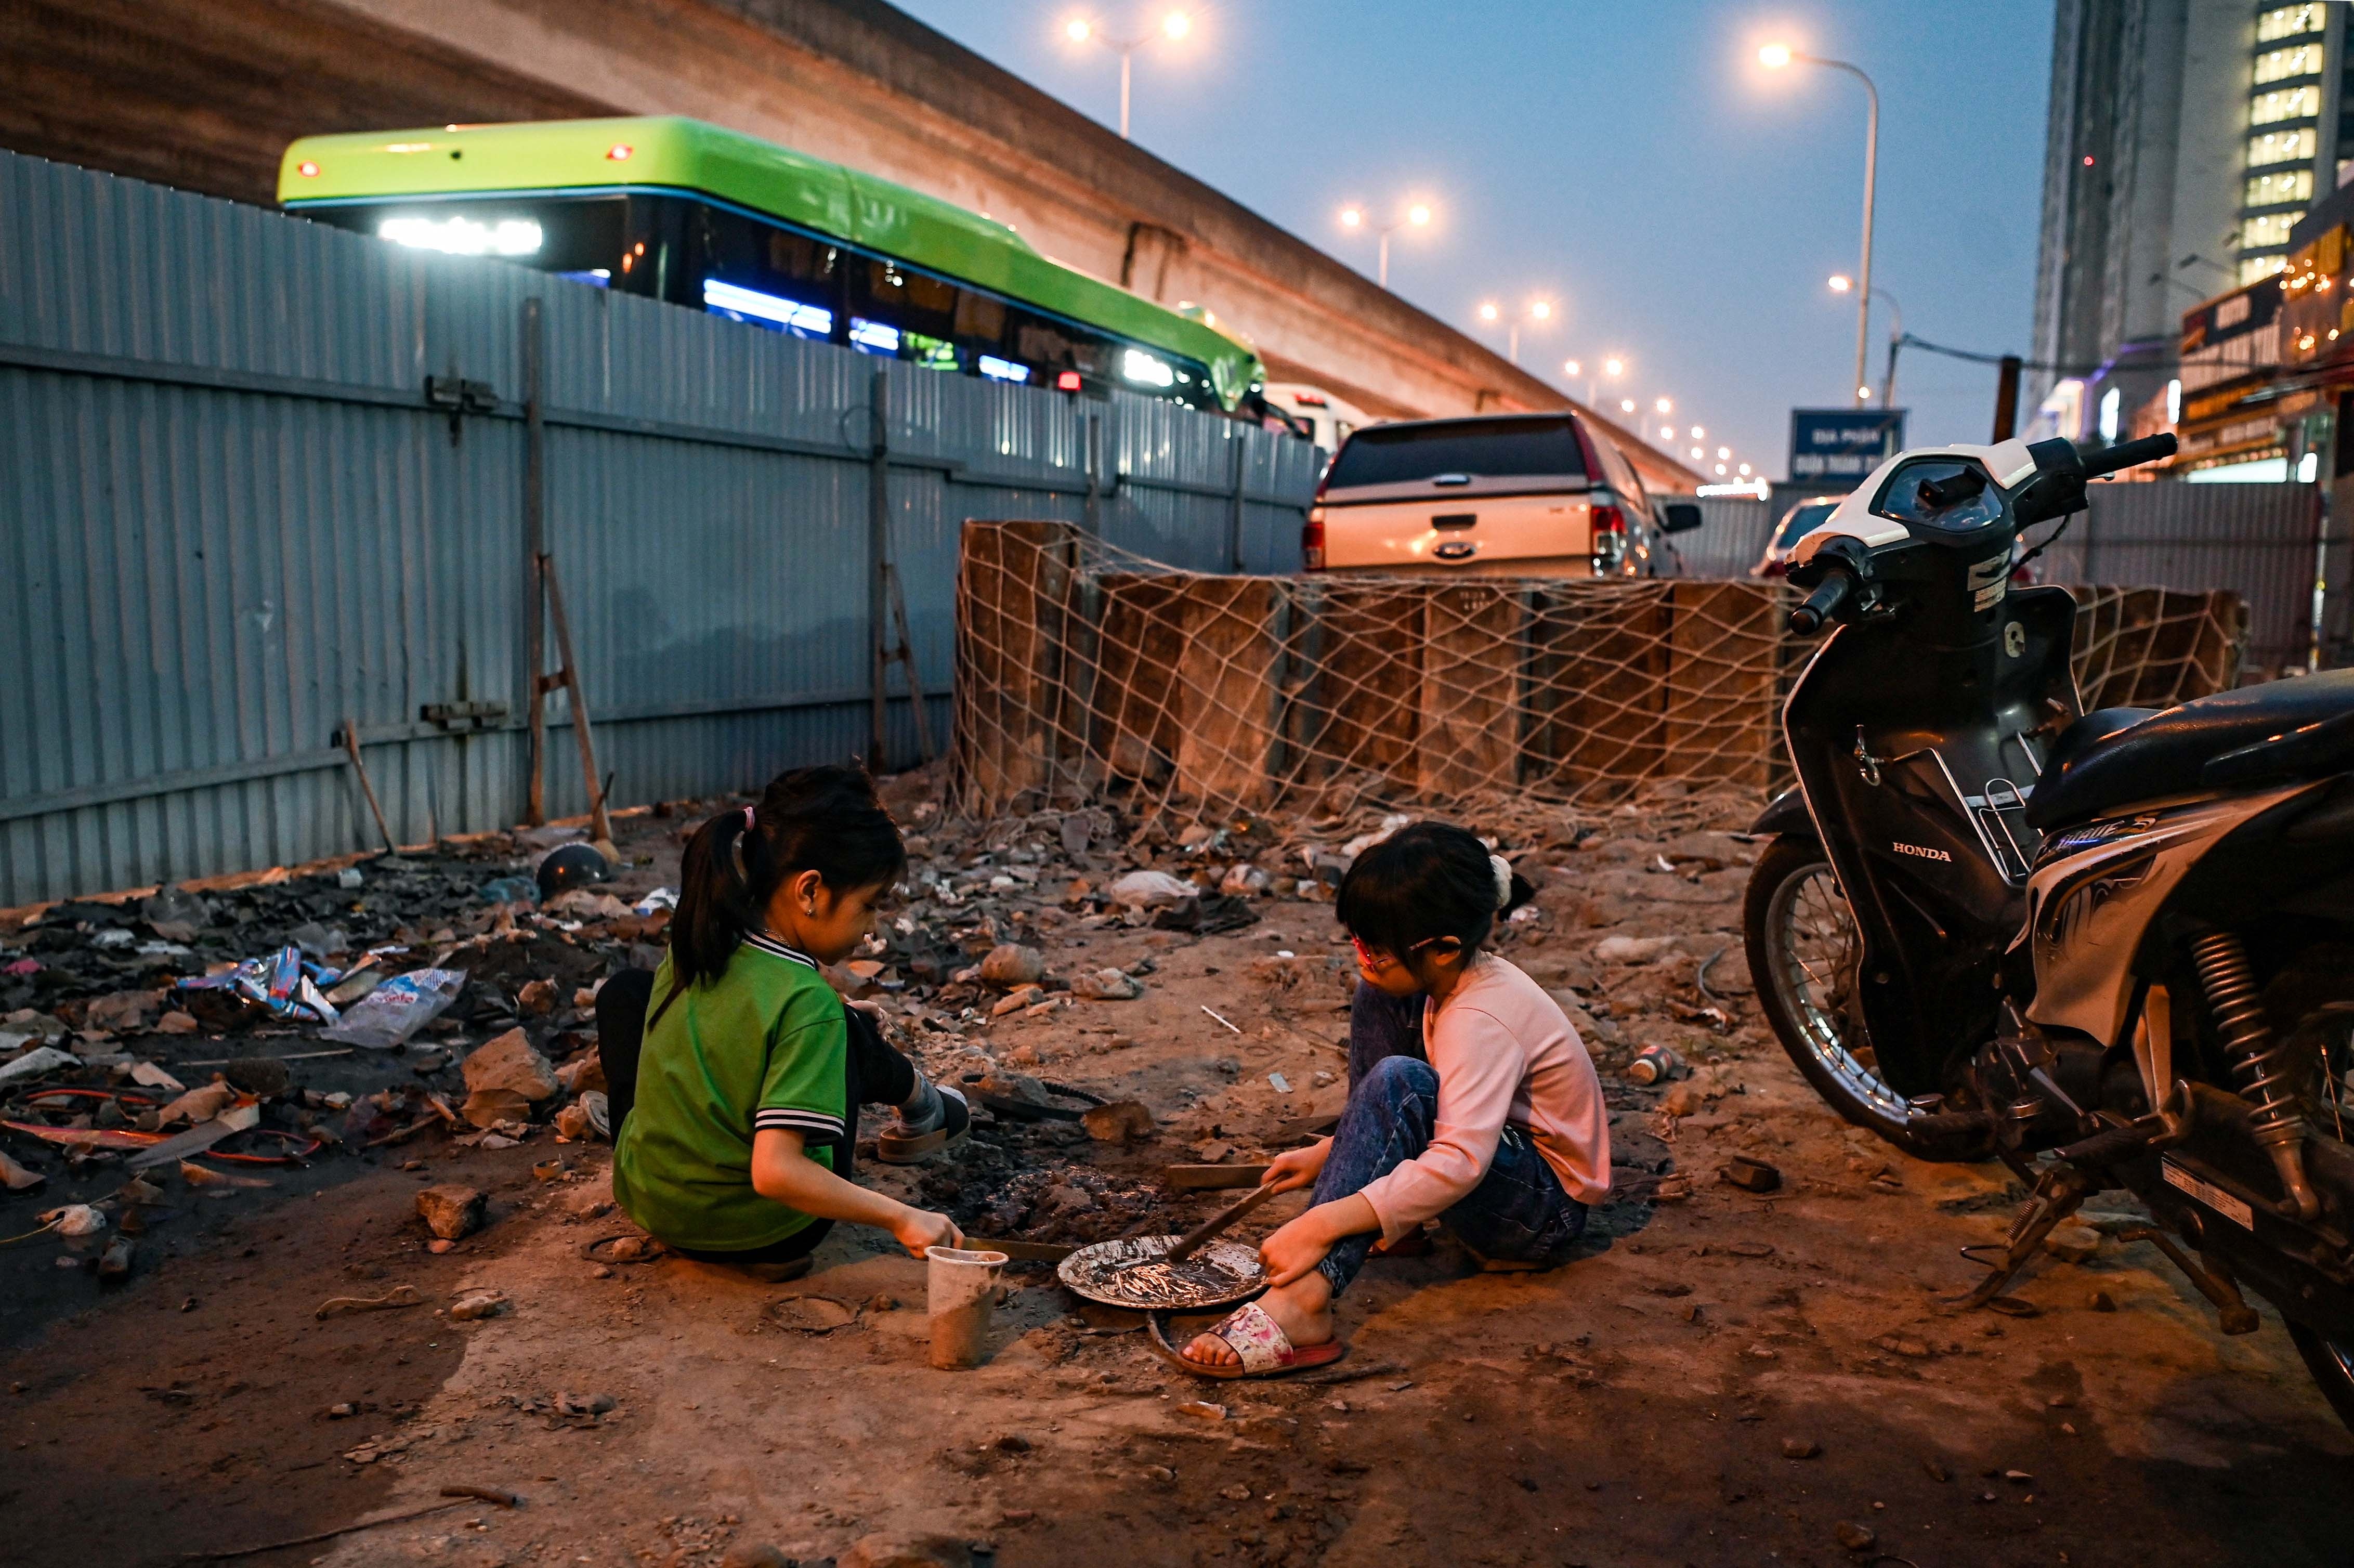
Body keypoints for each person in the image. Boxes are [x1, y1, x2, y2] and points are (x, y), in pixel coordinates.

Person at [1162, 821, 1610, 1379]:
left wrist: (1323, 1222)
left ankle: (1304, 1301)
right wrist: (1335, 1151)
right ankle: (1383, 1214)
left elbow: (1459, 1161)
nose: (1362, 956)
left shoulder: (1480, 1019)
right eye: (1357, 940)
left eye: (1375, 948)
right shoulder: (1447, 978)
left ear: (1445, 948)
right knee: (1379, 996)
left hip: (1539, 1213)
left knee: (1400, 1079)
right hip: (1500, 1166)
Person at [598, 766, 967, 1282]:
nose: (871, 928)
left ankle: (674, 1182)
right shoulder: (808, 1003)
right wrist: (903, 1216)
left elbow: (743, 1013)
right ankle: (923, 1105)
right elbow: (775, 1172)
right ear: (810, 890)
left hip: (650, 1203)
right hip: (768, 1228)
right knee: (836, 1028)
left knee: (627, 994)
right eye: (869, 905)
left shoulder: (696, 944)